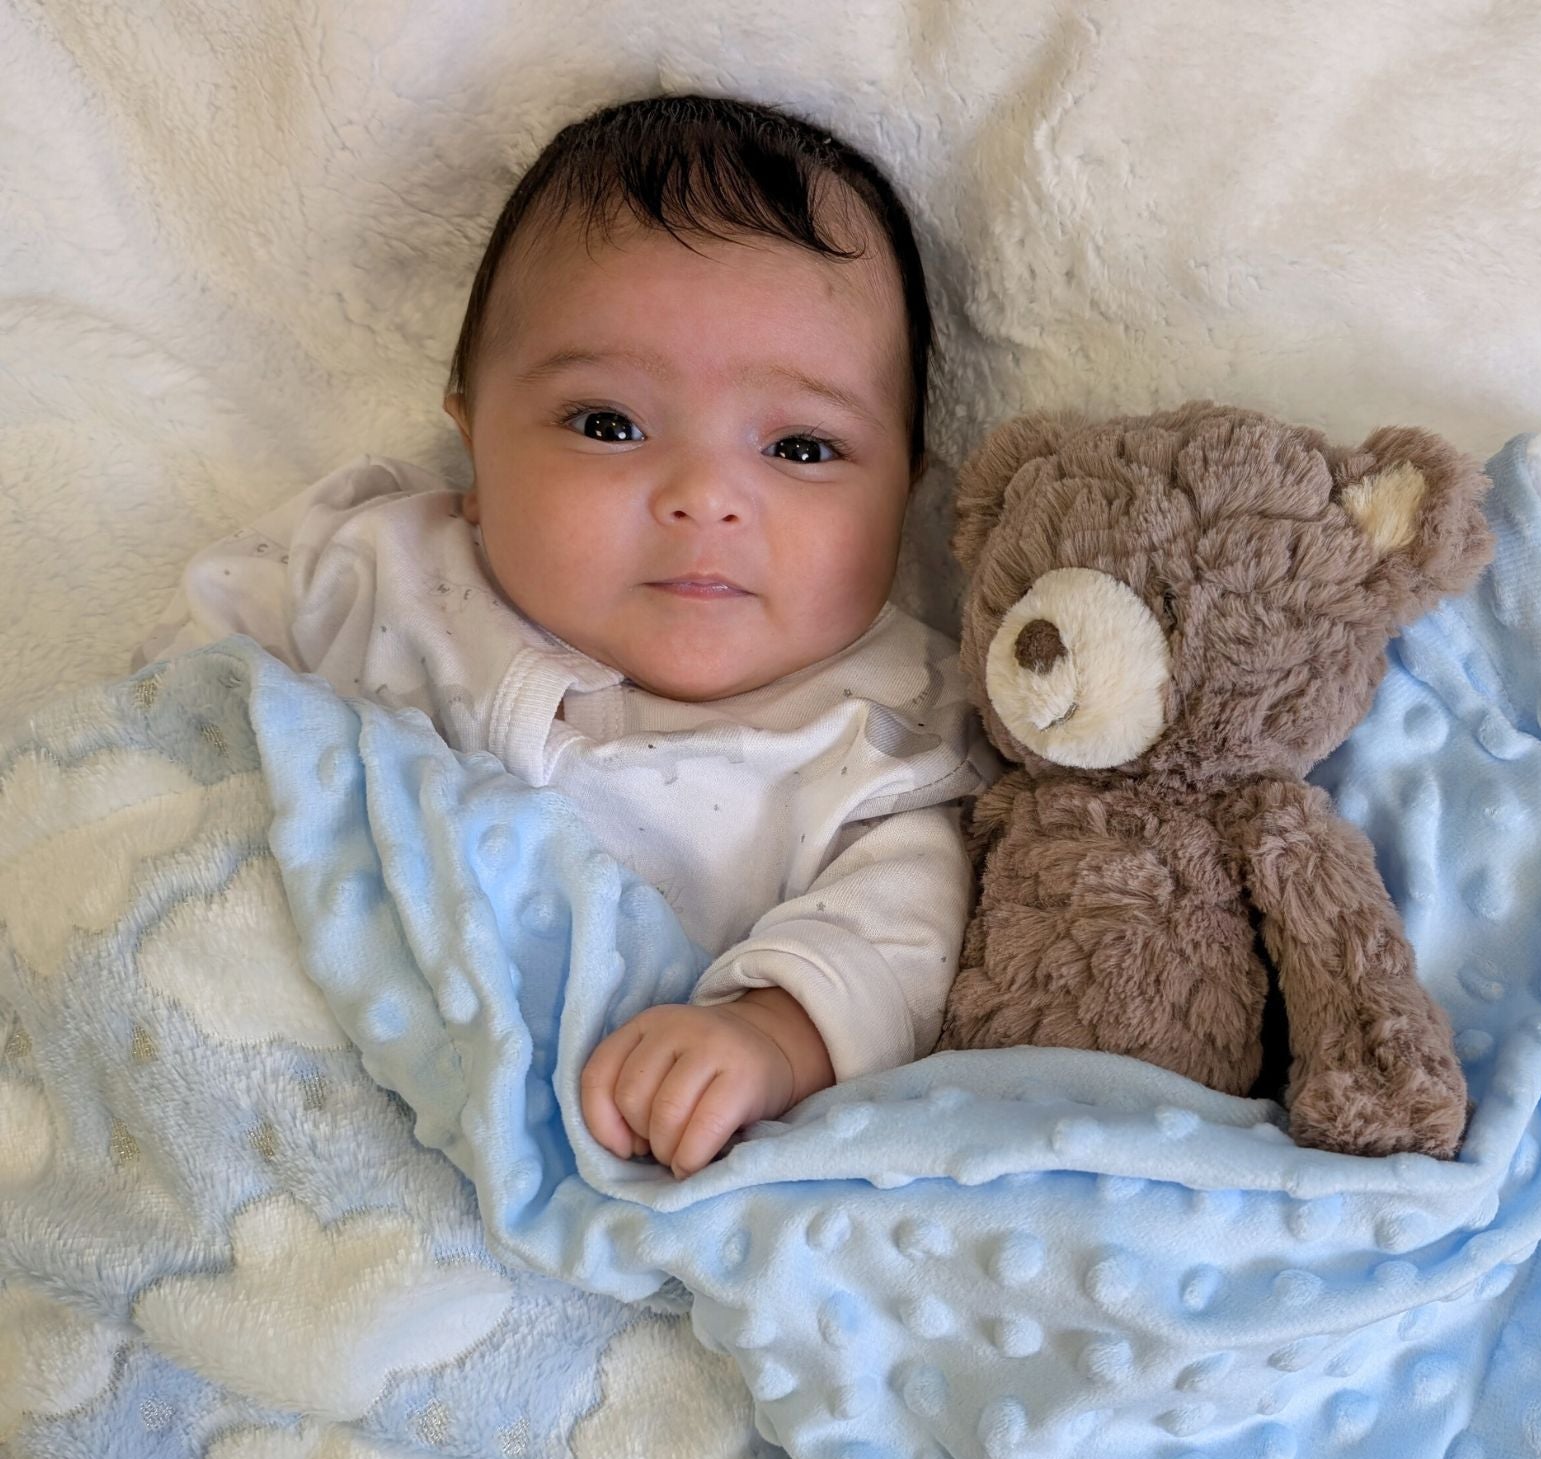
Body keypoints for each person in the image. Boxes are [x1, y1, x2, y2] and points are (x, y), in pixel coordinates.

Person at [136, 93, 992, 1176]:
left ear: (906, 494)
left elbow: (905, 928)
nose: (703, 497)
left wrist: (767, 1035)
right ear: (475, 441)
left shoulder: (881, 731)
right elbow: (174, 702)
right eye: (608, 424)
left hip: (597, 1159)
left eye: (802, 447)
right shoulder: (369, 569)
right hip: (262, 1084)